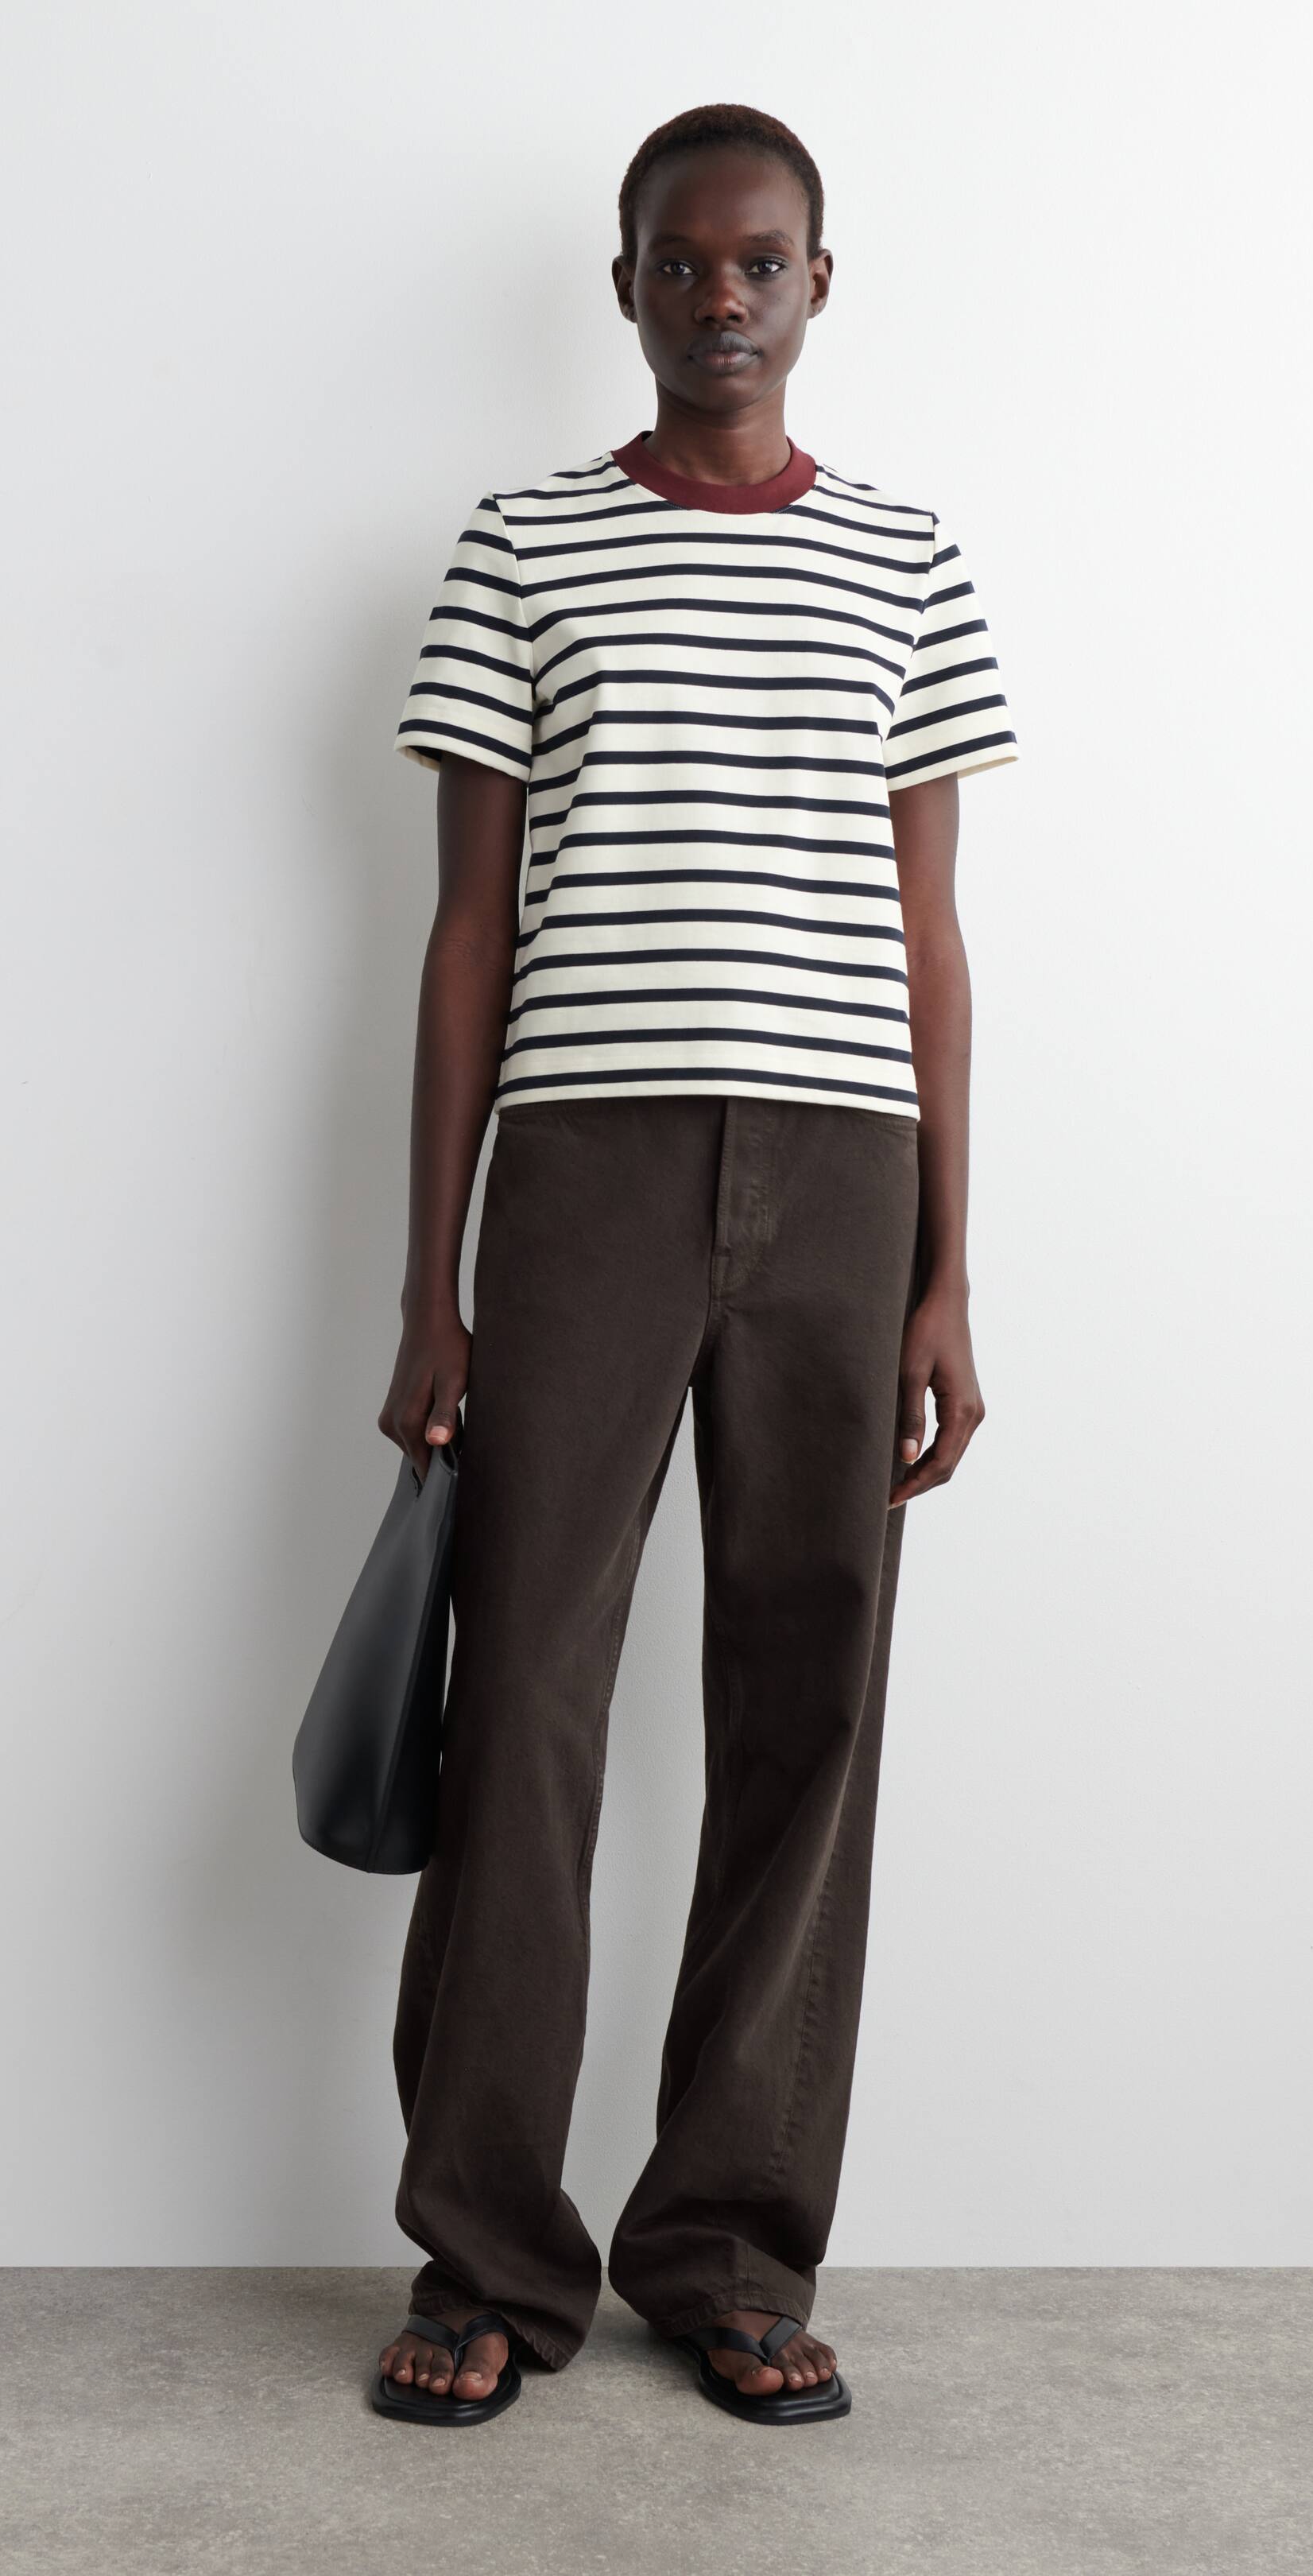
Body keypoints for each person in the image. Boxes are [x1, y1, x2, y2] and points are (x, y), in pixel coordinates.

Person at [370, 101, 1017, 2427]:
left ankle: (732, 2249)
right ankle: (486, 2258)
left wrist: (948, 1271)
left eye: (759, 261)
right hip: (588, 1171)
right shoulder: (523, 547)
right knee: (525, 1703)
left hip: (842, 1177)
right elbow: (470, 929)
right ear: (626, 281)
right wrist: (432, 1281)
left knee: (807, 1701)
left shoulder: (910, 561)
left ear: (819, 284)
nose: (719, 295)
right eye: (679, 259)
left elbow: (930, 935)